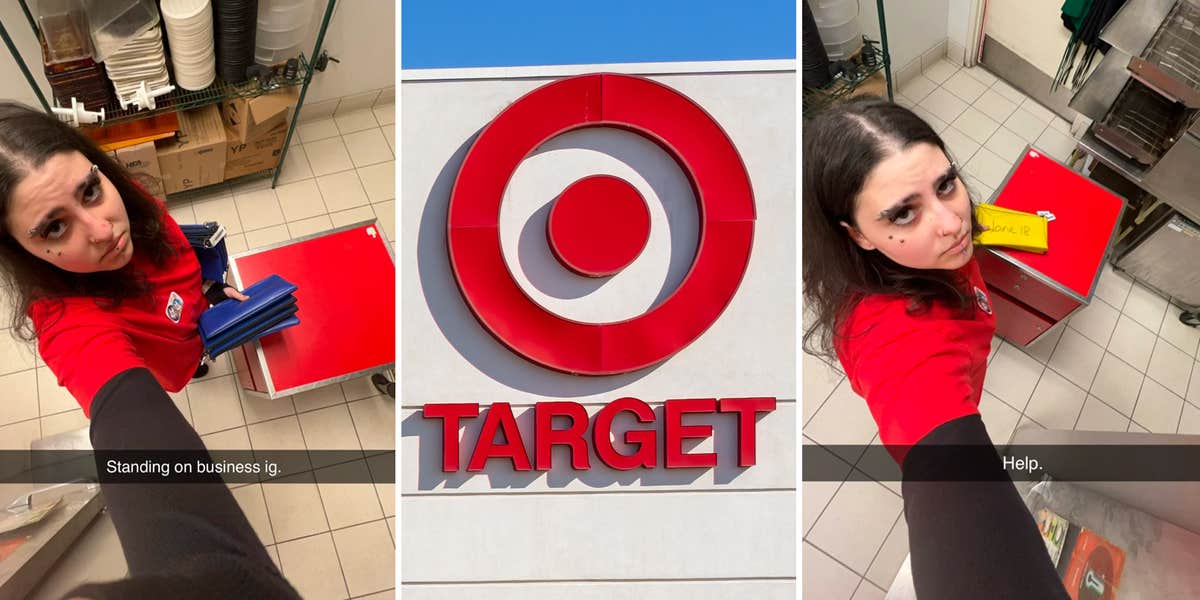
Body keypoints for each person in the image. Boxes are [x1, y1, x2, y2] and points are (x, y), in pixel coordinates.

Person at [0, 102, 299, 598]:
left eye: (90, 191)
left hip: (192, 326)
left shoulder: (128, 199)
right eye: (54, 227)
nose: (103, 230)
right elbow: (131, 430)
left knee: (192, 356)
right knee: (180, 374)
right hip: (165, 366)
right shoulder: (67, 322)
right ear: (17, 248)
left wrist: (210, 289)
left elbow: (173, 249)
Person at [802, 97, 1069, 599]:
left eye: (946, 184)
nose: (953, 223)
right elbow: (958, 504)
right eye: (905, 213)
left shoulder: (928, 250)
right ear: (858, 235)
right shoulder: (903, 346)